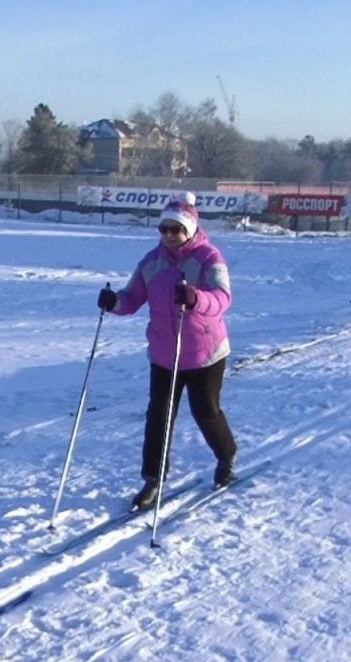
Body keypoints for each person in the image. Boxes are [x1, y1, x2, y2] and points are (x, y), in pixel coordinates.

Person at [97, 194, 238, 511]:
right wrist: (113, 302)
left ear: (190, 229)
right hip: (164, 353)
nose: (169, 236)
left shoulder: (208, 258)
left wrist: (196, 299)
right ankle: (152, 479)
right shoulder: (151, 262)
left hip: (205, 353)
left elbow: (222, 297)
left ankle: (226, 456)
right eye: (164, 229)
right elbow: (132, 297)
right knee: (158, 415)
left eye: (176, 229)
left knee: (206, 411)